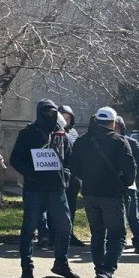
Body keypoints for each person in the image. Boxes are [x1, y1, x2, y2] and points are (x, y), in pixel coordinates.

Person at [10, 99, 79, 278]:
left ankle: (61, 263)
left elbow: (70, 159)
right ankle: (27, 267)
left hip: (57, 188)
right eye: (47, 112)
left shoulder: (61, 134)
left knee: (65, 226)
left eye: (53, 112)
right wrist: (30, 173)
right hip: (35, 189)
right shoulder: (28, 133)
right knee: (29, 228)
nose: (50, 115)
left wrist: (65, 176)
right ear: (39, 112)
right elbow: (15, 159)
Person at [70, 108, 135, 278]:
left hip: (90, 194)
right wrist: (122, 182)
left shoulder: (82, 141)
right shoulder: (119, 141)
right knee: (117, 234)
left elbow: (75, 168)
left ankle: (100, 272)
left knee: (97, 234)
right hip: (112, 195)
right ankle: (107, 272)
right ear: (114, 123)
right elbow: (130, 171)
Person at [115, 116, 139, 255]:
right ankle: (118, 242)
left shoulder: (131, 142)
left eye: (117, 127)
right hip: (112, 186)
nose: (114, 130)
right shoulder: (105, 143)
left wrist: (132, 176)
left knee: (132, 215)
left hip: (128, 185)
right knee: (116, 215)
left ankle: (138, 241)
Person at [58, 104, 84, 247]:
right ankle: (54, 235)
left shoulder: (73, 133)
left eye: (68, 118)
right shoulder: (54, 131)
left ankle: (70, 233)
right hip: (58, 175)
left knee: (71, 207)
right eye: (63, 117)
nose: (66, 120)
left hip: (73, 177)